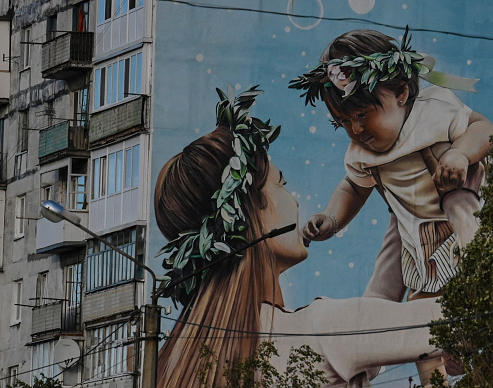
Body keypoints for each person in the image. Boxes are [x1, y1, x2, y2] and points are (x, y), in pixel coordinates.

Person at [154, 86, 449, 388]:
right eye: (280, 184)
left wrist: (403, 213)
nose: (294, 202)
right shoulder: (318, 332)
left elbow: (373, 314)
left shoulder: (185, 359)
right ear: (251, 212)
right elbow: (453, 319)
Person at [290, 28, 493, 385]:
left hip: (467, 215)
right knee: (420, 321)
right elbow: (353, 187)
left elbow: (482, 128)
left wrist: (461, 152)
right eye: (344, 122)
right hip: (421, 234)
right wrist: (332, 218)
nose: (356, 129)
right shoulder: (362, 153)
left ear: (401, 93)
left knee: (475, 286)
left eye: (363, 114)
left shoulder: (434, 112)